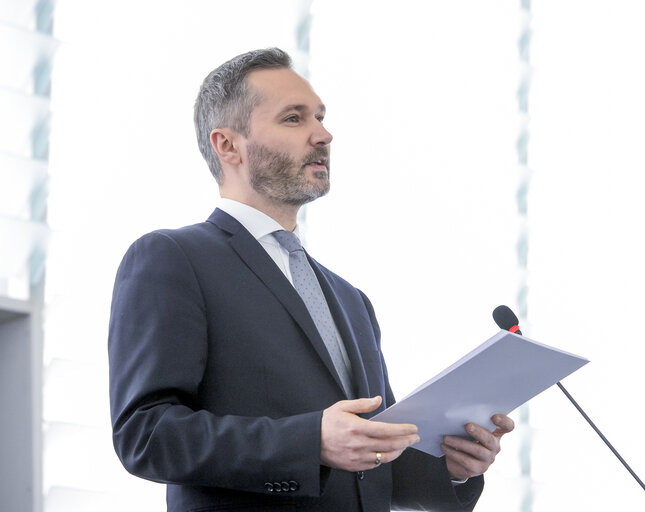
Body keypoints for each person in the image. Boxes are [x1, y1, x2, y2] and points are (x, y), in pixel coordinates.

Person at [108, 48, 514, 512]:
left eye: (319, 117)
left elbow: (370, 463)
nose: (323, 135)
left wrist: (452, 468)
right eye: (293, 119)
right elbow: (145, 435)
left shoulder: (350, 300)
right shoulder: (173, 258)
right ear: (228, 145)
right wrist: (310, 441)